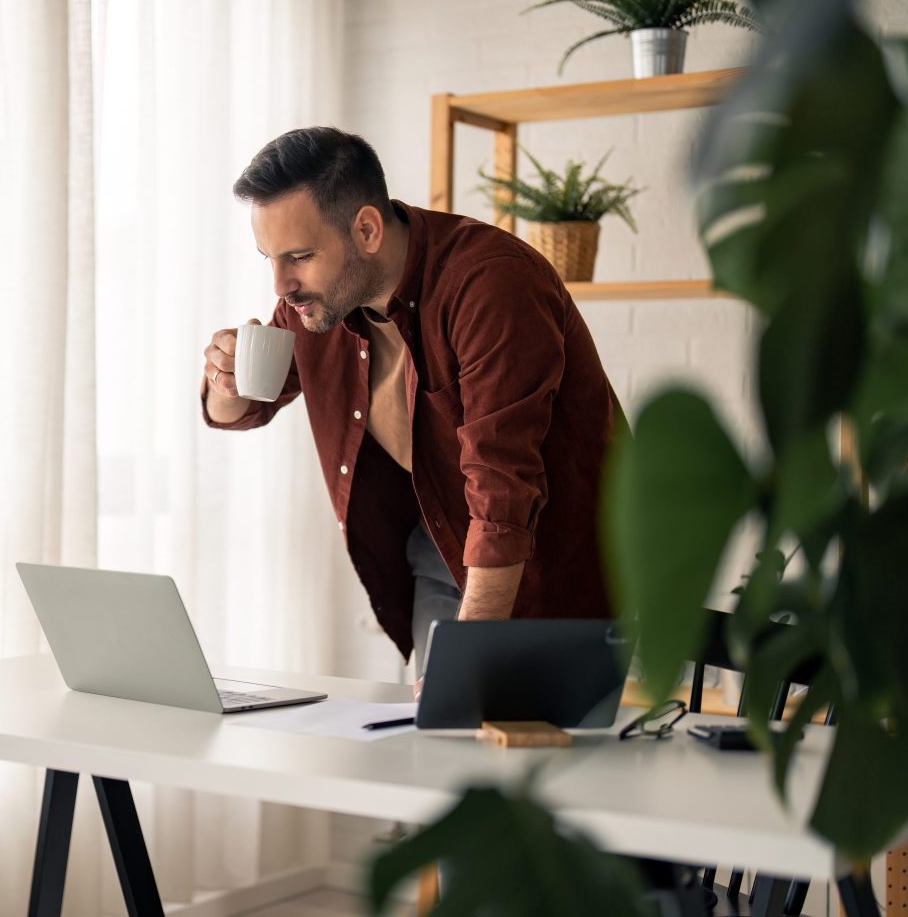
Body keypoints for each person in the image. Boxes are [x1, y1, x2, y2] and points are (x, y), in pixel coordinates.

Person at [201, 127, 622, 683]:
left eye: (299, 256)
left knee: (559, 763)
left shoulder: (490, 285)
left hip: (554, 568)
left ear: (367, 229)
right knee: (442, 757)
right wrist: (225, 380)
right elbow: (244, 409)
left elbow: (503, 493)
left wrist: (465, 660)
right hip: (438, 548)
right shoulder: (320, 302)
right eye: (270, 258)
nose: (280, 284)